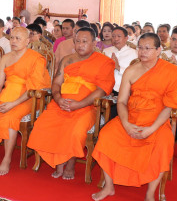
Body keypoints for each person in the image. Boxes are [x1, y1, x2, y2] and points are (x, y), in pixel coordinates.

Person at [92, 33, 177, 201]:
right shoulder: (131, 70)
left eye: (148, 48)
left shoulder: (170, 71)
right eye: (140, 48)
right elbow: (121, 102)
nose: (142, 52)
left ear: (158, 50)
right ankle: (108, 186)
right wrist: (126, 124)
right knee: (106, 136)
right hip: (132, 117)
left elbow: (170, 106)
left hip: (157, 120)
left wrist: (151, 129)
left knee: (164, 144)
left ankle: (150, 193)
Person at [27, 27, 115, 180]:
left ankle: (70, 163)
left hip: (86, 106)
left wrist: (79, 104)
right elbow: (56, 83)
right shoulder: (67, 60)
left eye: (85, 42)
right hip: (61, 104)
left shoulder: (104, 62)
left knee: (75, 130)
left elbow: (101, 90)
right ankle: (59, 160)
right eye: (77, 41)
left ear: (94, 43)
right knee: (43, 124)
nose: (80, 45)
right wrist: (58, 98)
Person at [0, 27, 51, 175]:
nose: (13, 41)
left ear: (27, 41)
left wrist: (13, 104)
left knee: (10, 117)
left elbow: (33, 89)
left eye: (18, 38)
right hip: (7, 93)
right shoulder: (6, 58)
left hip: (28, 97)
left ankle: (6, 159)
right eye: (12, 38)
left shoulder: (36, 58)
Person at [103, 27, 138, 118]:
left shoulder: (134, 53)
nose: (116, 39)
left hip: (124, 90)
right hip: (106, 89)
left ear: (126, 38)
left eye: (119, 36)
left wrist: (118, 67)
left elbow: (135, 75)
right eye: (113, 36)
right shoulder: (106, 51)